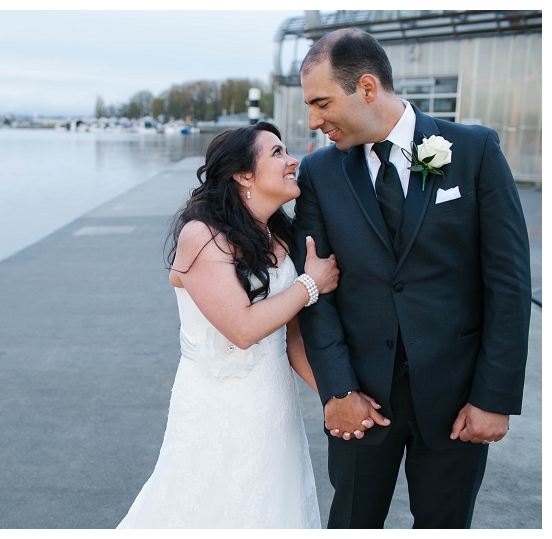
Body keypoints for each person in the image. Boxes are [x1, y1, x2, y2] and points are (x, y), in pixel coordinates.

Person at [292, 28, 532, 529]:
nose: (314, 122)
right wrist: (337, 392)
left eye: (320, 102)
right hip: (361, 401)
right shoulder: (318, 173)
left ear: (365, 88)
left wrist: (495, 396)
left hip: (457, 401)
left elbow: (508, 283)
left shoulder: (475, 150)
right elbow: (316, 294)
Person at [117, 122, 343, 528]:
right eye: (276, 153)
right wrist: (312, 283)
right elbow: (241, 329)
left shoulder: (279, 234)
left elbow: (291, 338)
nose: (292, 160)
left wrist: (335, 398)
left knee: (274, 504)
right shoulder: (202, 237)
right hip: (217, 405)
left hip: (272, 402)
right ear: (243, 175)